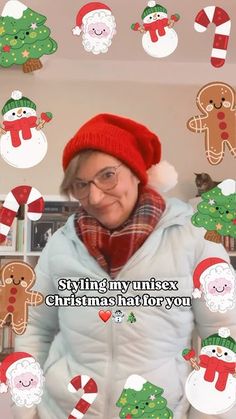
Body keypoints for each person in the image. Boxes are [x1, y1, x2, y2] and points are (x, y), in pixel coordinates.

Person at [12, 114, 235, 419]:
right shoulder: (61, 244)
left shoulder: (195, 239)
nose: (94, 196)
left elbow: (223, 334)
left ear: (136, 172)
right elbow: (34, 326)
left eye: (107, 176)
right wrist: (26, 409)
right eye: (81, 184)